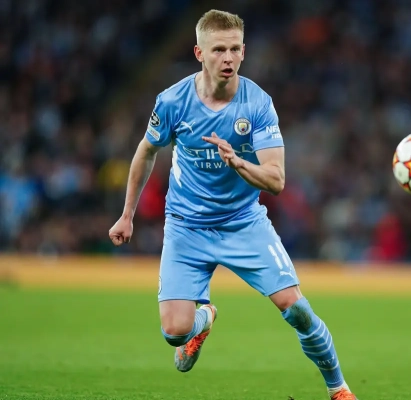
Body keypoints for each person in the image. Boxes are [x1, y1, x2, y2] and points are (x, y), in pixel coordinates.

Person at [108, 9, 358, 400]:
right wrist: (127, 215)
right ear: (199, 53)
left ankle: (339, 388)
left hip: (243, 223)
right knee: (174, 332)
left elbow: (276, 180)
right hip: (187, 226)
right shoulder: (172, 101)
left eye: (235, 49)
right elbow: (146, 151)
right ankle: (204, 318)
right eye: (219, 49)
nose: (228, 58)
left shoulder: (258, 104)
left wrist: (239, 162)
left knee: (296, 309)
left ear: (244, 52)